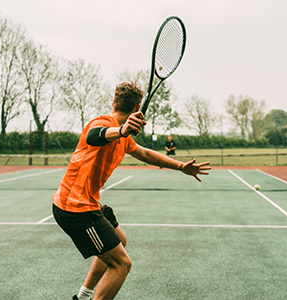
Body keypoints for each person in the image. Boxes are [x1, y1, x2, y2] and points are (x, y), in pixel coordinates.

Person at [52, 82, 211, 300]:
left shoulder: (124, 138)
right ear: (138, 107)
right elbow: (94, 135)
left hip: (85, 203)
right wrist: (120, 130)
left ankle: (83, 296)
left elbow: (144, 154)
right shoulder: (103, 124)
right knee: (121, 264)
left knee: (120, 241)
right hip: (74, 209)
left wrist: (181, 166)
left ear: (114, 102)